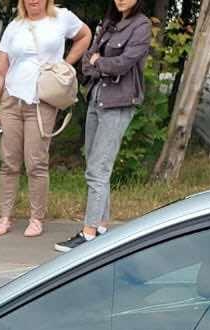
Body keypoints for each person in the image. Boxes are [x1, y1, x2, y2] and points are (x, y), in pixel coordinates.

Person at [0, 0, 91, 239]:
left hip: (41, 101)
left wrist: (64, 64)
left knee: (36, 163)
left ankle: (36, 218)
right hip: (12, 101)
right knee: (9, 162)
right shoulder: (14, 26)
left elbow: (85, 35)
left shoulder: (61, 17)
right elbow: (0, 71)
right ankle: (5, 216)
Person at [59, 0, 152, 252]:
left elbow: (123, 63)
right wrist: (98, 62)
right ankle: (100, 226)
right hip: (97, 100)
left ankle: (88, 235)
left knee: (98, 169)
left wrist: (100, 63)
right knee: (95, 165)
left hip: (119, 104)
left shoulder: (141, 25)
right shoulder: (110, 23)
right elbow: (87, 60)